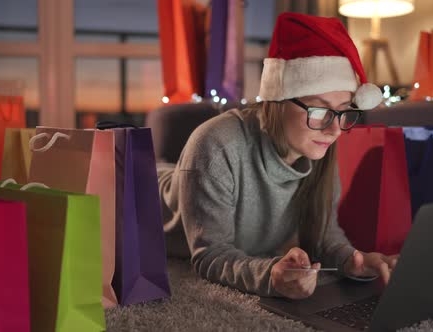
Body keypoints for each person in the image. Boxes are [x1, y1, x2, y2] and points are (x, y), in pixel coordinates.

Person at [158, 12, 398, 300]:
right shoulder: (216, 144)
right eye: (319, 109)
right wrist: (270, 275)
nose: (335, 129)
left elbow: (323, 234)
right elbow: (210, 255)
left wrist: (354, 261)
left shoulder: (319, 143)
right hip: (137, 194)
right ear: (278, 101)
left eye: (343, 110)